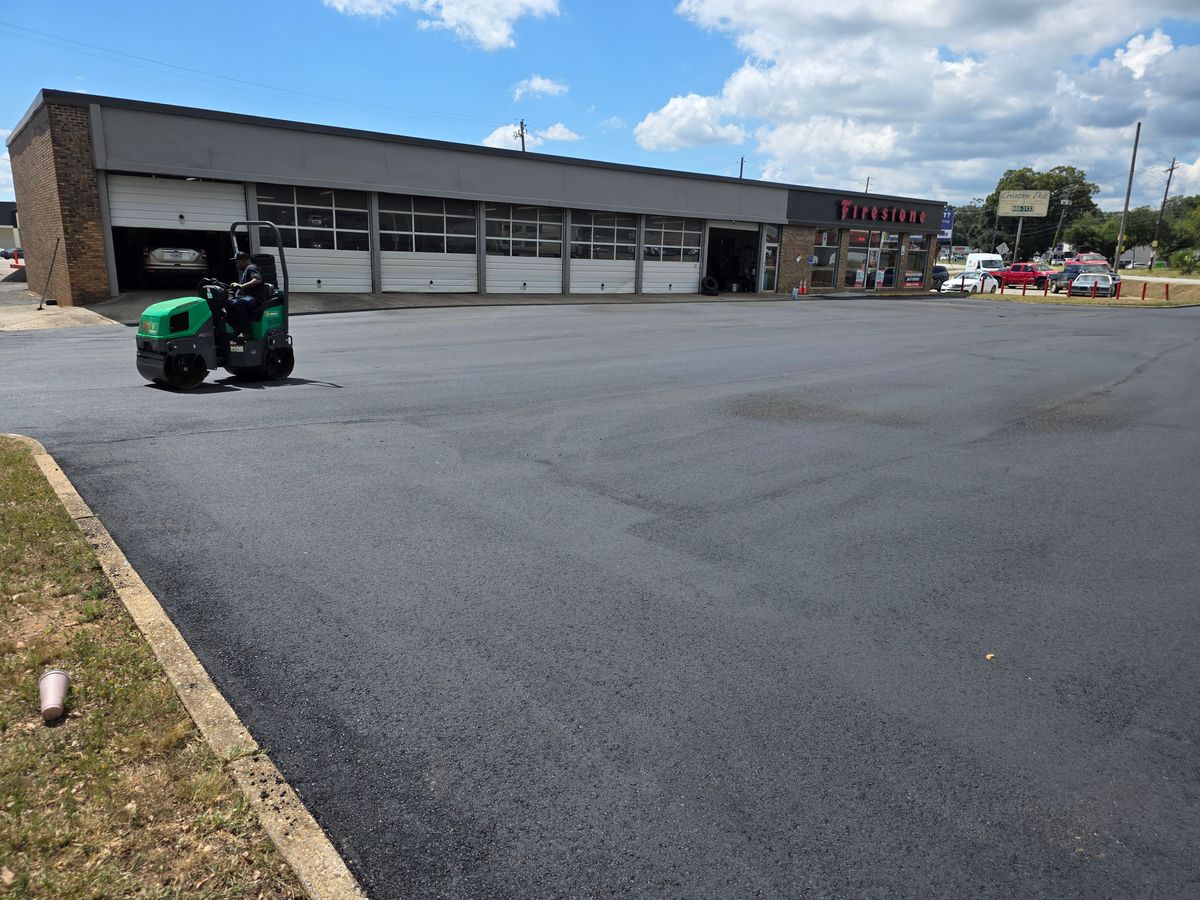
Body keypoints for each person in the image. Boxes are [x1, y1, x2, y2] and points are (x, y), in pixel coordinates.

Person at [226, 251, 266, 340]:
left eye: (237, 262)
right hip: (247, 298)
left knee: (236, 304)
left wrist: (241, 286)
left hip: (255, 298)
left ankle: (246, 333)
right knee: (226, 303)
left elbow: (257, 280)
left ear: (243, 261)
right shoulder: (245, 271)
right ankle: (237, 330)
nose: (236, 265)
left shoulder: (251, 267)